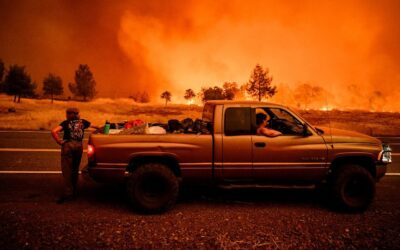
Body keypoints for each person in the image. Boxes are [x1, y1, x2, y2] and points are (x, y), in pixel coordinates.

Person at [51, 107, 97, 204]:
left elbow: (54, 131)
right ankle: (74, 190)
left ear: (68, 114)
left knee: (67, 170)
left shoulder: (66, 123)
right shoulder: (83, 122)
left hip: (68, 146)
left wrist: (59, 141)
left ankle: (68, 193)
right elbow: (96, 127)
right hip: (79, 146)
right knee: (75, 169)